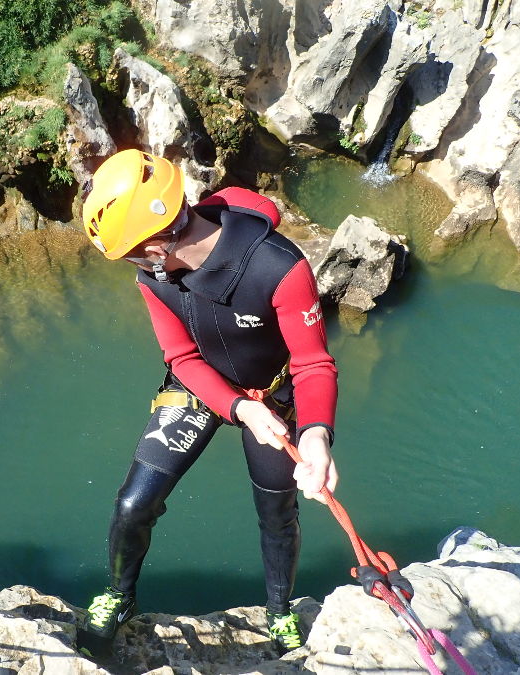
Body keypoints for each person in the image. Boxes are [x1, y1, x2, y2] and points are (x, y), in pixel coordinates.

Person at [78, 149, 339, 654]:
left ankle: (280, 611)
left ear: (155, 245)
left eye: (132, 255)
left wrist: (316, 435)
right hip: (201, 385)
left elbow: (313, 363)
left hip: (276, 390)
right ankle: (118, 593)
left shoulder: (278, 267)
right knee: (134, 504)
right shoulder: (155, 277)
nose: (133, 266)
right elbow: (181, 357)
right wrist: (237, 407)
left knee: (277, 513)